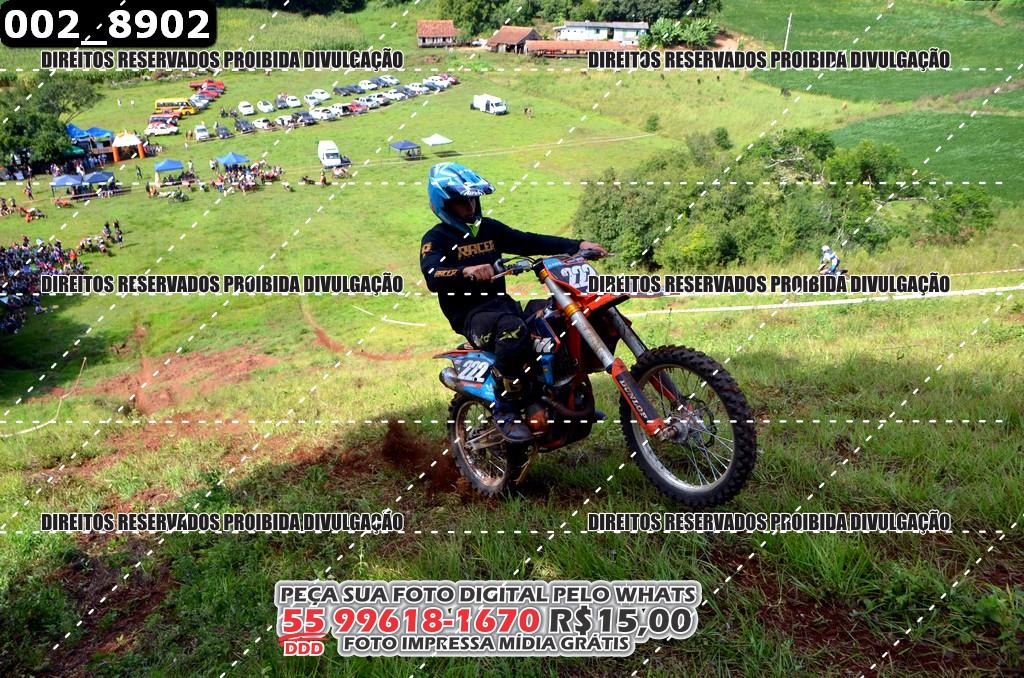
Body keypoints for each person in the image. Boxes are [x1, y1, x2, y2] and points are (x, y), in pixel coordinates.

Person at [420, 163, 607, 442]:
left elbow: (529, 241)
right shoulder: (436, 239)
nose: (470, 206)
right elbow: (432, 274)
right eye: (461, 201)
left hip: (504, 306)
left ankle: (565, 396)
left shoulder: (488, 229)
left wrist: (576, 245)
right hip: (472, 317)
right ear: (444, 204)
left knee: (556, 316)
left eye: (473, 199)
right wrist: (465, 272)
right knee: (513, 330)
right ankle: (504, 408)